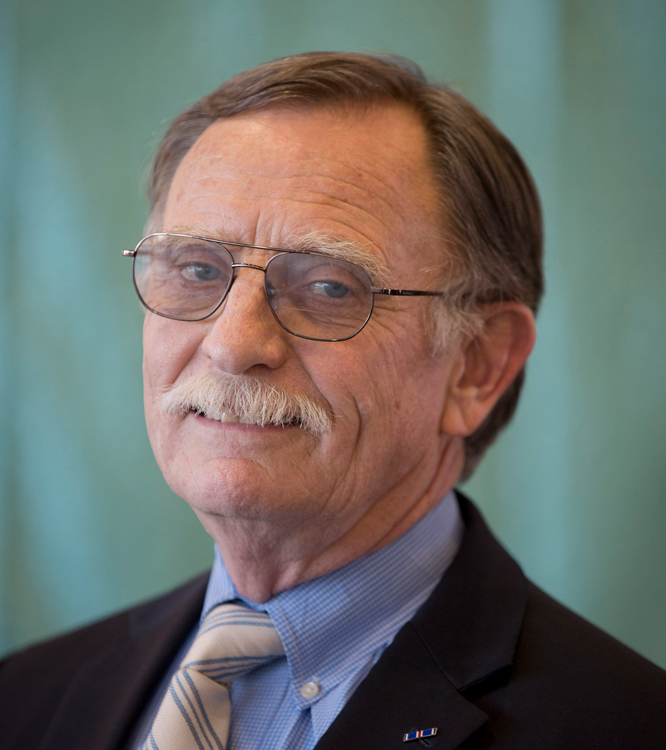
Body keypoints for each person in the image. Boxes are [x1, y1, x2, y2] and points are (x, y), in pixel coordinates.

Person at [1, 51, 665, 750]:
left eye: (329, 287)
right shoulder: (25, 698)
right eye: (196, 269)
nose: (233, 344)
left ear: (476, 364)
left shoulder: (626, 730)